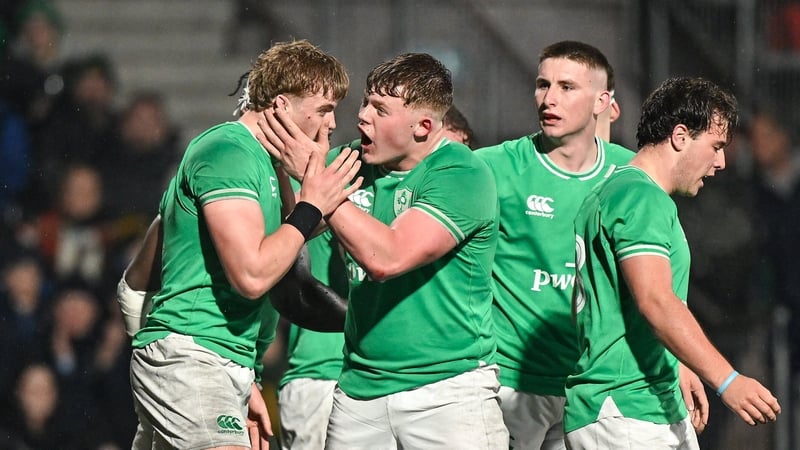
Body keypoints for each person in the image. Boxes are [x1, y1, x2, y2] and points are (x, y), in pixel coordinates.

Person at [261, 52, 507, 449]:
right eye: (364, 102)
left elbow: (387, 258)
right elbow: (301, 227)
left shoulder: (461, 173)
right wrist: (286, 169)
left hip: (446, 392)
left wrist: (316, 180)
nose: (362, 117)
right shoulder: (353, 162)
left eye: (380, 109)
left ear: (424, 126)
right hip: (359, 390)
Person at [123, 39, 362, 450]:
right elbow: (252, 275)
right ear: (283, 106)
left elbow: (289, 240)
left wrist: (245, 372)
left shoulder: (265, 164)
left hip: (222, 360)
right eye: (324, 110)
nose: (332, 124)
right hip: (193, 357)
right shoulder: (227, 152)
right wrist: (311, 203)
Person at [565, 76, 781, 449]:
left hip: (634, 404)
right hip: (627, 409)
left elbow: (623, 305)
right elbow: (655, 300)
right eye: (715, 146)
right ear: (680, 136)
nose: (721, 162)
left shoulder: (615, 191)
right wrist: (728, 380)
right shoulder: (640, 198)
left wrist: (676, 362)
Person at [474, 41, 641, 450]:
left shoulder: (630, 173)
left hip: (593, 385)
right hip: (511, 382)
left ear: (603, 101)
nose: (549, 98)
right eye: (542, 84)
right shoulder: (494, 166)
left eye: (567, 87)